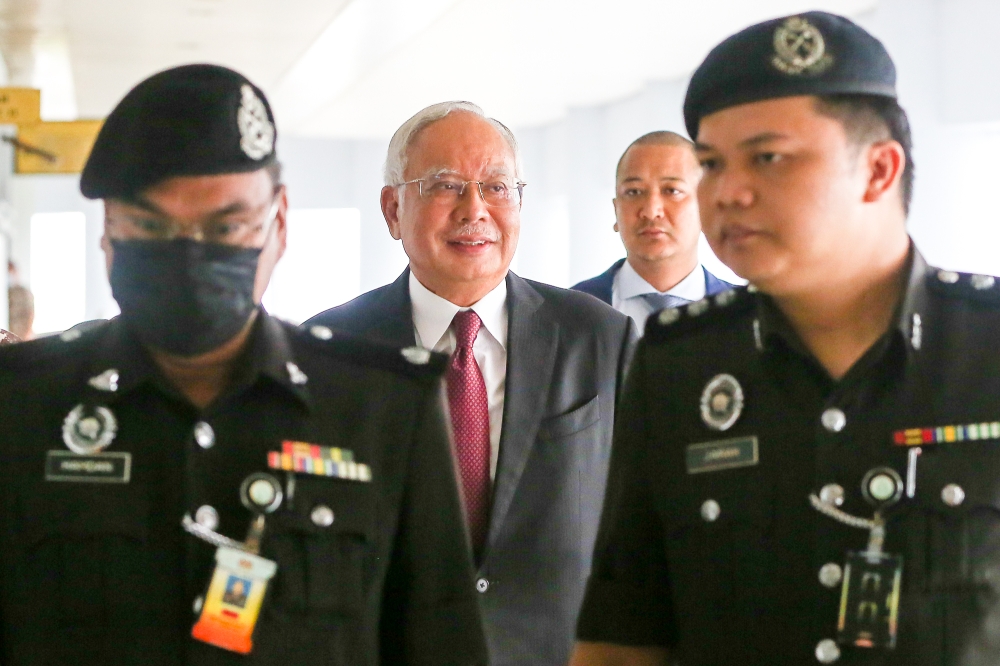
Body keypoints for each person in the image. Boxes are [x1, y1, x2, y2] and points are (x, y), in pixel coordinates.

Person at [0, 65, 487, 666]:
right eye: (151, 227)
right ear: (108, 233)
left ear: (278, 224)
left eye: (226, 225)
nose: (190, 254)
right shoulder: (20, 406)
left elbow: (441, 645)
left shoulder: (382, 407)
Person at [570, 11, 1000, 666]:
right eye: (711, 163)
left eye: (768, 158)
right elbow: (623, 638)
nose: (727, 192)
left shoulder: (987, 347)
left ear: (879, 171)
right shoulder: (678, 366)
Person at [306, 101, 635, 666]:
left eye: (497, 188)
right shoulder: (329, 350)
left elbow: (641, 532)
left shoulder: (600, 338)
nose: (474, 209)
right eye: (446, 186)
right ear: (392, 209)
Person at [572, 131, 733, 333]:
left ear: (706, 206)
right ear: (616, 210)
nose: (651, 211)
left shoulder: (749, 314)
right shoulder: (568, 311)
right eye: (634, 192)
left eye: (672, 191)